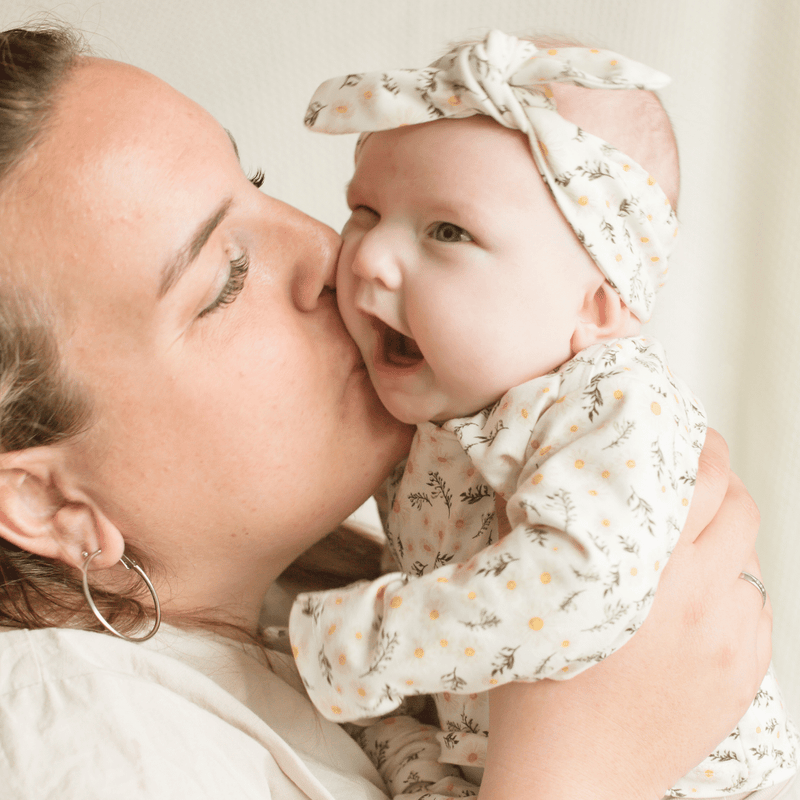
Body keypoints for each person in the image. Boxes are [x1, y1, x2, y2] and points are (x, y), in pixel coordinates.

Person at [0, 22, 776, 800]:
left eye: (259, 183)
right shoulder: (73, 731)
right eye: (227, 278)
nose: (332, 253)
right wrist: (577, 775)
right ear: (47, 500)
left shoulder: (330, 581)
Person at [290, 31, 797, 798]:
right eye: (365, 209)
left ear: (596, 305)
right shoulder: (438, 406)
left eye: (447, 230)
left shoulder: (614, 402)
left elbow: (576, 587)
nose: (366, 258)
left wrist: (361, 643)